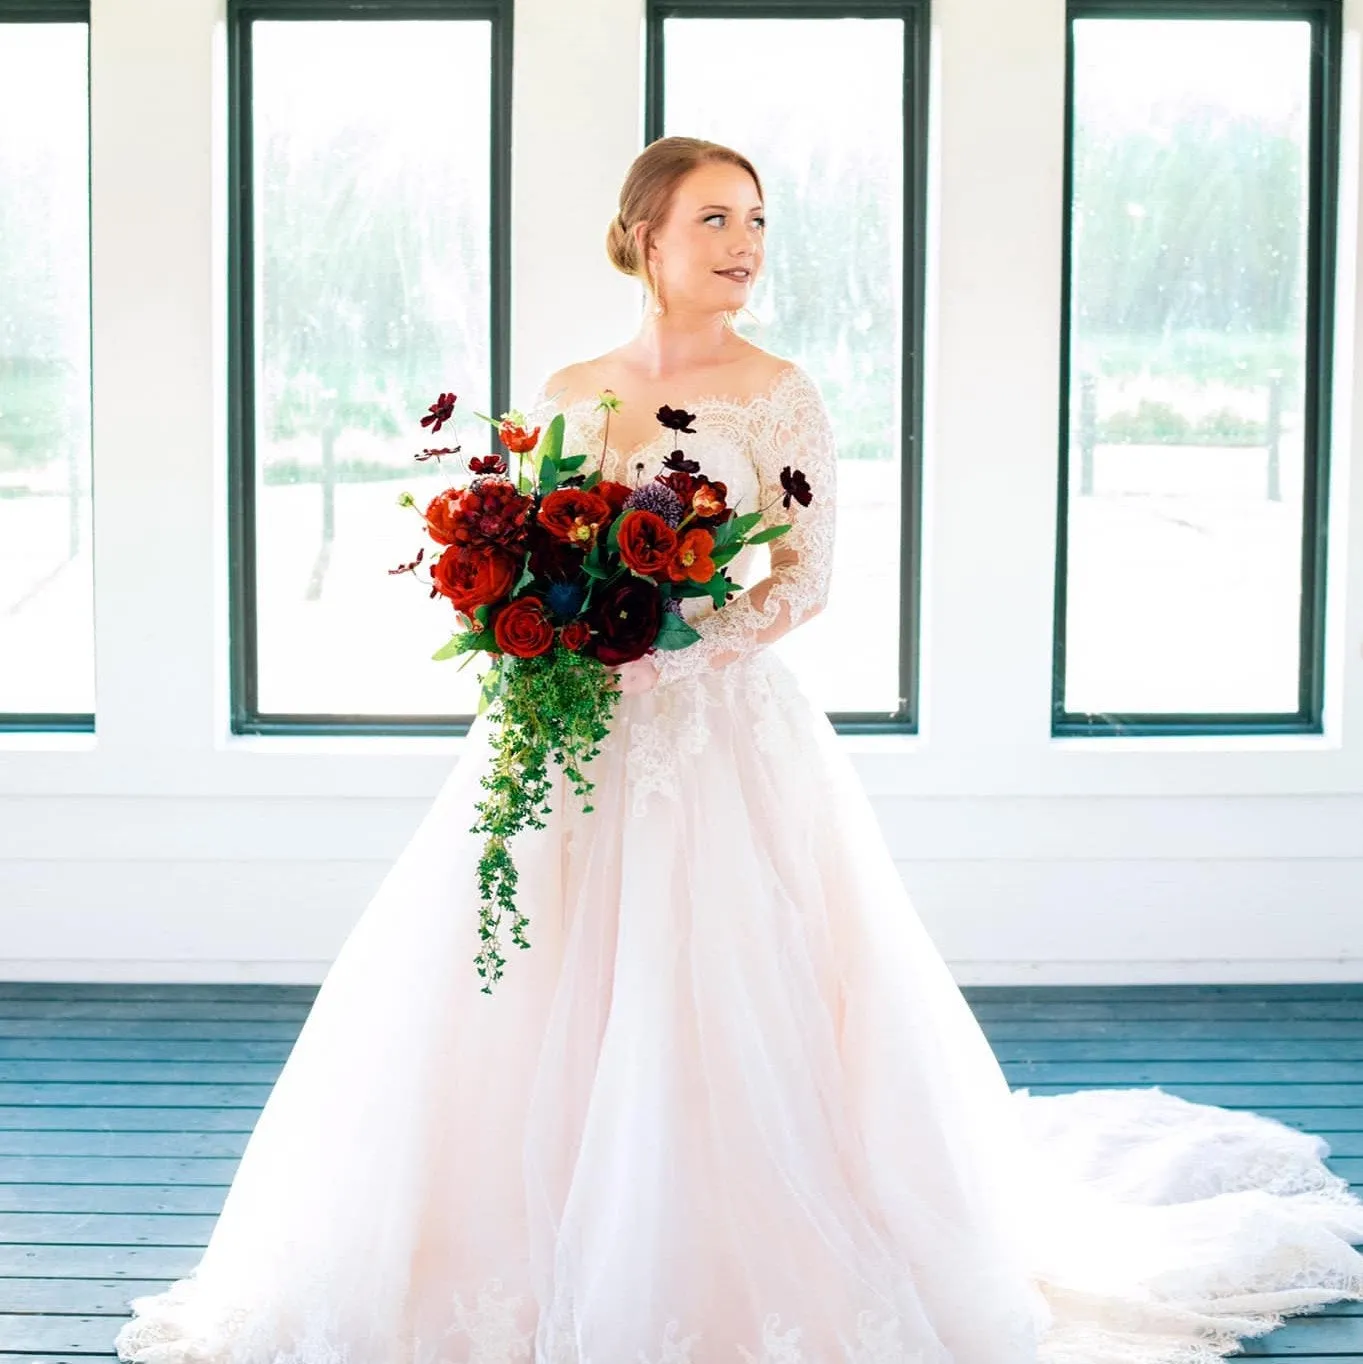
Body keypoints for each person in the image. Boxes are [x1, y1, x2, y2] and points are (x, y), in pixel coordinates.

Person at [114, 136, 1363, 1364]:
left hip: (715, 724)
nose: (745, 247)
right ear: (644, 236)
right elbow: (540, 545)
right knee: (524, 977)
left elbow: (804, 579)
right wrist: (538, 630)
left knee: (723, 981)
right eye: (715, 220)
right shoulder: (569, 388)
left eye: (757, 222)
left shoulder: (780, 392)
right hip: (570, 727)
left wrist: (677, 653)